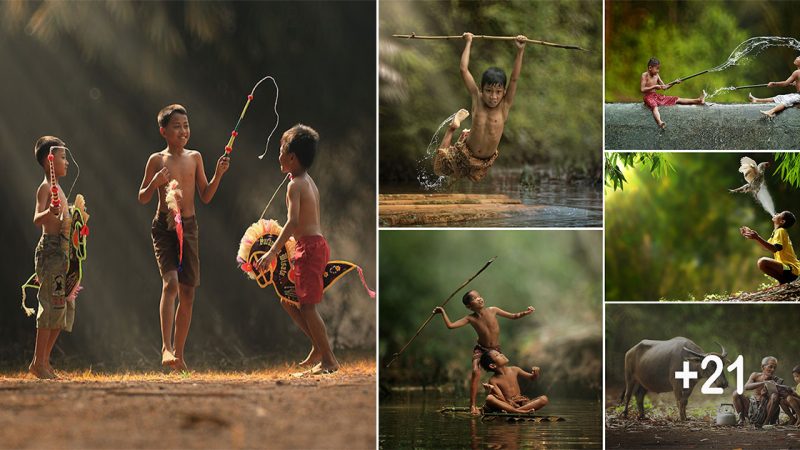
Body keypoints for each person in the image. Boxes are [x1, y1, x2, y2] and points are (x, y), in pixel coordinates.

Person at [138, 104, 230, 371]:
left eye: (186, 126)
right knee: (171, 285)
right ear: (163, 131)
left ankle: (179, 355)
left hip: (189, 227)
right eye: (176, 126)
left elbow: (206, 195)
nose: (183, 131)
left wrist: (219, 175)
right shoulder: (156, 160)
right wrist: (155, 182)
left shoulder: (196, 157)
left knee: (188, 293)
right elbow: (142, 197)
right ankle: (165, 348)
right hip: (164, 227)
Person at [254, 124, 339, 374]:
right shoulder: (305, 181)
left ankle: (329, 360)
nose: (278, 154)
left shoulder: (296, 185)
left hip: (310, 248)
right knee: (287, 299)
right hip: (309, 246)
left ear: (291, 157)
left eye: (281, 149)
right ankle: (317, 346)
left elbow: (293, 222)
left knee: (307, 306)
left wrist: (271, 252)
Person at [432, 32, 527, 182]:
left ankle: (462, 132)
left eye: (498, 92)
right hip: (465, 153)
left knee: (471, 179)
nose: (493, 96)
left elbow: (514, 79)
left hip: (484, 162)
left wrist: (520, 50)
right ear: (481, 90)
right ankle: (453, 127)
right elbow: (463, 69)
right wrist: (469, 42)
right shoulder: (477, 98)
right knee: (440, 168)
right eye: (489, 91)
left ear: (504, 92)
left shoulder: (504, 105)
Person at [433, 289, 535, 415]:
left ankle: (509, 402)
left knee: (503, 373)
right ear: (469, 306)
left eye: (480, 296)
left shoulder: (493, 310)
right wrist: (442, 312)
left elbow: (513, 316)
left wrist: (526, 312)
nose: (480, 298)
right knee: (476, 371)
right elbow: (450, 325)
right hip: (481, 348)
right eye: (475, 298)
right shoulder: (470, 318)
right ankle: (472, 406)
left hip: (495, 350)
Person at [29, 136, 72, 379]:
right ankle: (38, 361)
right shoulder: (45, 188)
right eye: (63, 157)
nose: (67, 162)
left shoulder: (60, 189)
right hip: (50, 251)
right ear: (50, 160)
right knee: (49, 304)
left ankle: (43, 361)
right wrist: (49, 211)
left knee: (62, 306)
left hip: (63, 251)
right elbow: (37, 219)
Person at [640, 57, 706, 129]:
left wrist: (674, 82)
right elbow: (642, 89)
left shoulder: (657, 76)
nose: (658, 71)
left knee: (676, 99)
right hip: (648, 97)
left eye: (659, 68)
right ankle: (659, 122)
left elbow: (665, 87)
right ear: (650, 68)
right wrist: (654, 86)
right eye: (657, 68)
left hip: (656, 96)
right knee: (654, 106)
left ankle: (698, 100)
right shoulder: (645, 75)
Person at [479, 349, 549, 414]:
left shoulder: (515, 369)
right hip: (507, 404)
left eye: (500, 353)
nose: (502, 355)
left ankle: (517, 411)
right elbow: (501, 399)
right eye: (497, 355)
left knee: (544, 399)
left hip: (521, 403)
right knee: (489, 398)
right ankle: (519, 411)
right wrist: (490, 391)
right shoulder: (493, 380)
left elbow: (532, 378)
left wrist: (536, 373)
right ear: (492, 365)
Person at [740, 211, 800, 286]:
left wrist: (757, 237)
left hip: (791, 269)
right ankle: (783, 282)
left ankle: (782, 282)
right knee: (762, 263)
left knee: (762, 262)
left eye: (779, 214)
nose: (776, 214)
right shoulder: (776, 233)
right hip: (787, 269)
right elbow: (766, 248)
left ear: (782, 221)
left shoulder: (780, 231)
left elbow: (775, 248)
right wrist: (754, 237)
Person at [733, 356, 793, 427]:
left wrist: (766, 395)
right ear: (763, 367)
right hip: (752, 406)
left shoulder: (777, 380)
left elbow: (778, 398)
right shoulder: (755, 375)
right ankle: (742, 420)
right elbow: (746, 387)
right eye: (770, 367)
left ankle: (766, 423)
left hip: (767, 409)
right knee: (736, 393)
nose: (772, 369)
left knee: (775, 396)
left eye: (774, 367)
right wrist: (763, 383)